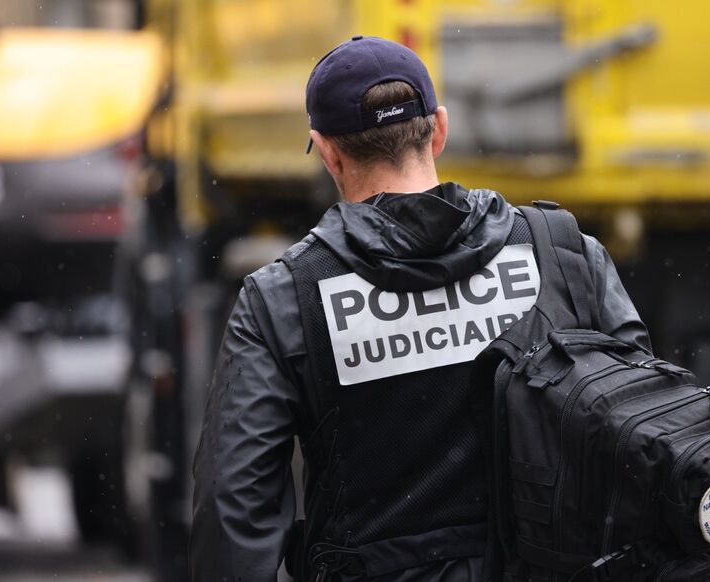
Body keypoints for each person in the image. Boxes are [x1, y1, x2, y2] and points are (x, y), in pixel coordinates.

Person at [189, 36, 651, 582]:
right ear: (439, 130)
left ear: (328, 151)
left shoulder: (286, 297)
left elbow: (233, 504)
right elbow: (643, 437)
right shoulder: (563, 253)